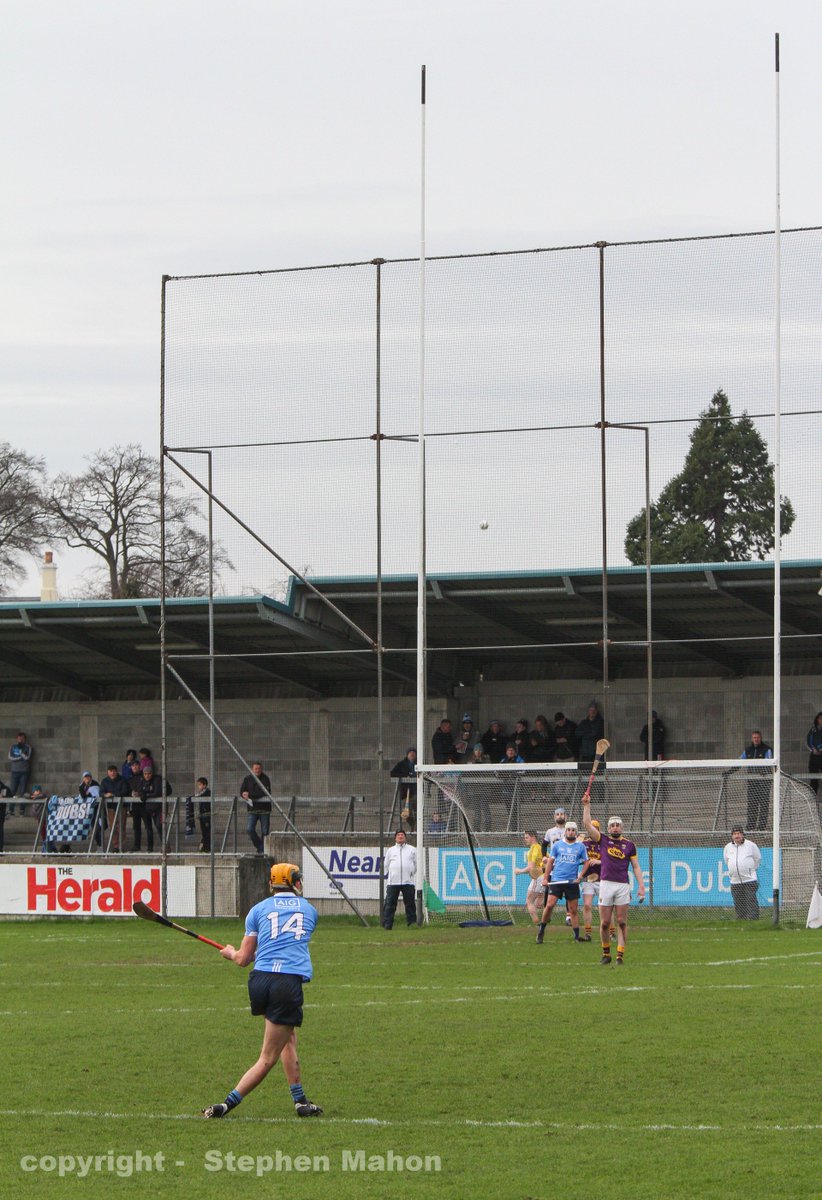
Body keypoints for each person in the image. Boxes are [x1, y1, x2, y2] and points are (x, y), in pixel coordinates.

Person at [202, 862, 322, 1120]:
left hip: (260, 981)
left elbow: (244, 959)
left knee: (287, 1038)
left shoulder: (257, 910)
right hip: (285, 984)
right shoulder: (310, 911)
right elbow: (287, 941)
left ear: (271, 884)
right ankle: (226, 1105)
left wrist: (230, 953)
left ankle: (300, 1101)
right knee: (267, 1058)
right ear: (295, 883)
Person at [582, 794, 646, 965]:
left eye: (618, 825)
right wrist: (587, 805)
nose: (615, 828)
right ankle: (606, 953)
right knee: (604, 923)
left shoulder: (630, 845)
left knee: (621, 921)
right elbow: (588, 825)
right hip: (606, 885)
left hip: (623, 886)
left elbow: (636, 866)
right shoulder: (602, 840)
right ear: (608, 828)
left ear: (622, 828)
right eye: (612, 826)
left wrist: (641, 886)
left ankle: (619, 955)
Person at [536, 821, 588, 944]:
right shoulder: (557, 845)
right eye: (568, 829)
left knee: (573, 910)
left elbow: (587, 862)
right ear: (565, 831)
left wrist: (580, 876)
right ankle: (541, 930)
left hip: (572, 882)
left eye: (573, 830)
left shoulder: (580, 847)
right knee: (549, 905)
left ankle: (576, 937)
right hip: (557, 880)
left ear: (576, 832)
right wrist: (545, 878)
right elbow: (550, 862)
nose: (571, 832)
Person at [723, 825, 762, 920]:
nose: (737, 836)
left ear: (743, 835)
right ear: (732, 836)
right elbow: (726, 860)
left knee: (751, 900)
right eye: (735, 834)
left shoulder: (751, 845)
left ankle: (753, 920)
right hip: (735, 881)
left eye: (739, 833)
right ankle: (741, 920)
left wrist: (750, 870)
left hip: (749, 880)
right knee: (738, 902)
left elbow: (757, 859)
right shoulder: (728, 847)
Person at [381, 829, 417, 929]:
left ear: (405, 837)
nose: (400, 837)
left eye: (402, 835)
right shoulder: (390, 850)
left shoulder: (412, 849)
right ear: (395, 838)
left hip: (408, 882)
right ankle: (387, 925)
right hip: (393, 882)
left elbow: (416, 865)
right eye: (398, 835)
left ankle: (412, 924)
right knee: (390, 904)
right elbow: (386, 865)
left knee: (410, 904)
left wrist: (409, 873)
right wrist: (393, 873)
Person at [739, 730, 773, 830]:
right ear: (752, 739)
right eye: (754, 738)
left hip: (764, 782)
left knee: (763, 805)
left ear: (760, 738)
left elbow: (770, 763)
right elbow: (739, 762)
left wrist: (764, 771)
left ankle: (761, 827)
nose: (756, 739)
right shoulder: (748, 750)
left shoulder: (767, 749)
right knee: (752, 804)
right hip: (752, 781)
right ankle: (750, 826)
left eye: (757, 737)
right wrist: (729, 771)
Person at [514, 831, 546, 925]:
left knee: (529, 901)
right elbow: (549, 861)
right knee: (538, 903)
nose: (525, 839)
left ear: (533, 837)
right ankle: (546, 912)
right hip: (545, 877)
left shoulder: (533, 849)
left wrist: (519, 871)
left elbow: (531, 868)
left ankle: (538, 924)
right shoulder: (541, 848)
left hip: (538, 878)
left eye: (526, 837)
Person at [579, 818, 603, 941]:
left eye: (595, 829)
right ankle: (588, 933)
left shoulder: (603, 843)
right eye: (590, 828)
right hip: (588, 880)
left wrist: (599, 861)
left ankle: (611, 932)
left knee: (604, 907)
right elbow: (577, 858)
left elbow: (611, 861)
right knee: (587, 905)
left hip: (602, 880)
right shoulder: (583, 844)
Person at [241, 761, 272, 855]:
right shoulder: (247, 779)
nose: (257, 770)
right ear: (252, 769)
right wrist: (244, 794)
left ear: (261, 769)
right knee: (250, 829)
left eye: (259, 769)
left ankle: (263, 850)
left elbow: (263, 792)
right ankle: (260, 847)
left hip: (264, 809)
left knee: (265, 831)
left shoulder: (265, 779)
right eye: (255, 769)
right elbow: (242, 790)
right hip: (252, 809)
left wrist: (250, 795)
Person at [100, 764, 129, 851]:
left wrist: (113, 794)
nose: (112, 773)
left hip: (121, 807)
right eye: (110, 771)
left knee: (121, 827)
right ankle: (116, 846)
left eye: (114, 771)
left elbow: (125, 791)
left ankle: (122, 845)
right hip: (111, 808)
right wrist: (105, 795)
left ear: (116, 772)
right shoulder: (104, 781)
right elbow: (101, 792)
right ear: (108, 772)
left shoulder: (122, 780)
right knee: (113, 827)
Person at [389, 749, 417, 831]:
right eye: (410, 753)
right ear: (407, 754)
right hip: (407, 793)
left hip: (417, 792)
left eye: (413, 753)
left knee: (418, 812)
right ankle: (413, 825)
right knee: (407, 812)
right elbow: (393, 773)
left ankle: (417, 828)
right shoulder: (402, 764)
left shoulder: (418, 763)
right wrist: (405, 776)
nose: (412, 755)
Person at [8, 732, 32, 816]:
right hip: (14, 771)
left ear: (24, 739)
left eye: (22, 739)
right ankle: (11, 810)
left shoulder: (27, 747)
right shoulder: (13, 747)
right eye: (19, 738)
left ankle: (22, 810)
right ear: (17, 739)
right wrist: (19, 757)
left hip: (24, 772)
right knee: (12, 791)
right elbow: (10, 757)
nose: (20, 740)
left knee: (23, 791)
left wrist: (21, 752)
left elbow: (27, 757)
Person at [191, 777, 212, 852]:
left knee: (207, 831)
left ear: (204, 785)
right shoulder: (201, 793)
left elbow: (199, 797)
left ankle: (207, 847)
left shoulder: (207, 792)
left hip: (207, 816)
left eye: (200, 785)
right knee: (204, 831)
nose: (199, 786)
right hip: (202, 815)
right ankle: (204, 846)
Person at [806, 712, 822, 797]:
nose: (821, 720)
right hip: (815, 757)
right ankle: (813, 799)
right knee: (814, 780)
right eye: (820, 718)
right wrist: (813, 749)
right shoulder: (813, 729)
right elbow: (809, 740)